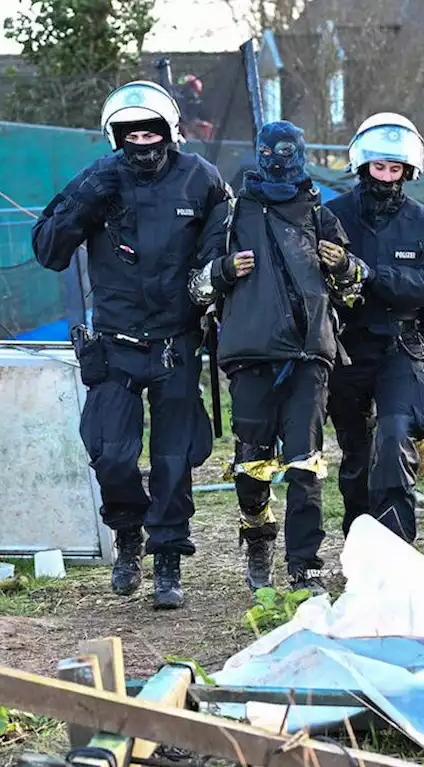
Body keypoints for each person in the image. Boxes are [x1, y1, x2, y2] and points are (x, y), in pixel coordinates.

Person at [31, 81, 230, 610]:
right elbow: (49, 249)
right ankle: (127, 537)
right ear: (117, 137)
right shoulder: (99, 177)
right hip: (115, 342)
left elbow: (224, 243)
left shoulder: (201, 180)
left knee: (173, 457)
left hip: (176, 341)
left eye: (151, 131)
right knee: (110, 454)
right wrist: (86, 202)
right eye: (131, 133)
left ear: (169, 132)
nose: (142, 142)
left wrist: (211, 290)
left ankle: (167, 560)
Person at [190, 120, 367, 595]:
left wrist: (346, 267)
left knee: (306, 463)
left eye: (290, 150)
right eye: (272, 151)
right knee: (252, 464)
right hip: (248, 356)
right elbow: (196, 285)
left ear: (302, 153)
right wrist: (223, 270)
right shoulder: (231, 215)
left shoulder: (320, 216)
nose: (281, 159)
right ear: (259, 154)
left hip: (310, 356)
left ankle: (304, 565)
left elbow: (353, 292)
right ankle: (257, 534)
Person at [325, 113, 424, 544]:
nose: (385, 176)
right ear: (363, 166)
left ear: (407, 172)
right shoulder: (332, 217)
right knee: (357, 453)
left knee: (395, 437)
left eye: (394, 169)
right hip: (346, 347)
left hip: (400, 346)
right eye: (378, 167)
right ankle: (361, 545)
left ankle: (396, 548)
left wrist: (366, 274)